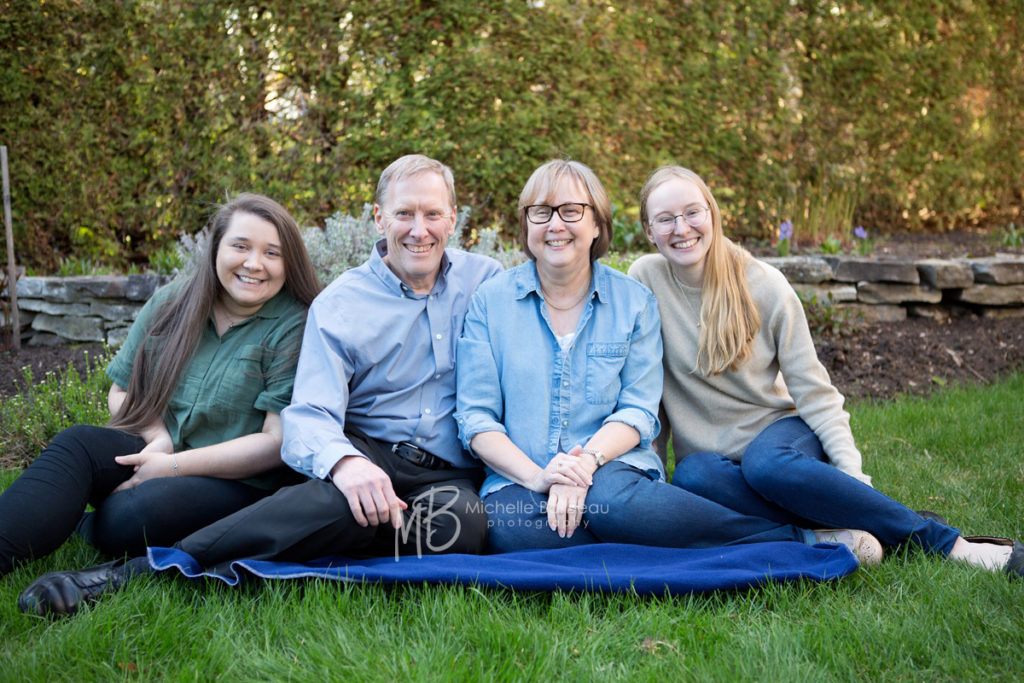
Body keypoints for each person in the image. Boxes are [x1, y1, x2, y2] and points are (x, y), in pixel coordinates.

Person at [18, 154, 504, 616]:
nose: (419, 229)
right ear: (378, 218)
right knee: (338, 502)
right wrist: (348, 464)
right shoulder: (339, 305)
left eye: (433, 214)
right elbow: (309, 414)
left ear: (453, 218)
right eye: (404, 213)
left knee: (462, 527)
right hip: (366, 452)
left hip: (445, 474)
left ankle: (298, 537)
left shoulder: (488, 282)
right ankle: (146, 571)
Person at [456, 159, 882, 558]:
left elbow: (639, 410)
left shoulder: (633, 301)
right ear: (525, 223)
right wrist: (538, 477)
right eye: (541, 212)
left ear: (597, 224)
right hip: (522, 477)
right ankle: (661, 541)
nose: (555, 224)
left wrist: (585, 465)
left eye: (571, 211)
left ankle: (796, 540)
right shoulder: (491, 303)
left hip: (611, 470)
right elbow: (476, 418)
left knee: (613, 505)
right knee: (510, 527)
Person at [628, 165, 1022, 578]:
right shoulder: (644, 280)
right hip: (714, 462)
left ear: (712, 214)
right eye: (665, 219)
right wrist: (650, 472)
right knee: (690, 475)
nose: (681, 228)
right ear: (649, 231)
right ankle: (834, 530)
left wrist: (852, 478)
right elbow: (649, 393)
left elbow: (814, 392)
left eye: (692, 212)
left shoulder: (764, 285)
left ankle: (945, 542)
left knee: (767, 465)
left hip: (778, 437)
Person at [0, 193, 321, 578]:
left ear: (289, 263)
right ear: (216, 248)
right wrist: (158, 438)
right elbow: (120, 392)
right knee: (78, 444)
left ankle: (79, 522)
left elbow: (274, 443)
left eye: (273, 253)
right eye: (240, 246)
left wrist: (170, 466)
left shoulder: (296, 325)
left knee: (136, 512)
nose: (254, 263)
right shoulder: (174, 301)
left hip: (238, 482)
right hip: (157, 448)